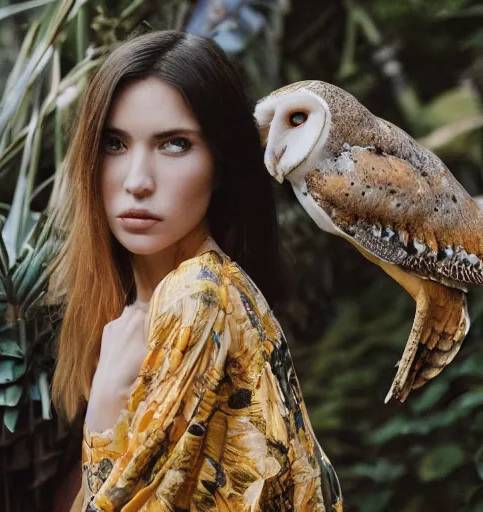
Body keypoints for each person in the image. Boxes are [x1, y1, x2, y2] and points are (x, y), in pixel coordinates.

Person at [48, 29, 343, 511]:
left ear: (221, 163)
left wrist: (103, 414)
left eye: (175, 144)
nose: (137, 182)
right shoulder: (164, 304)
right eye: (115, 144)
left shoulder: (198, 295)